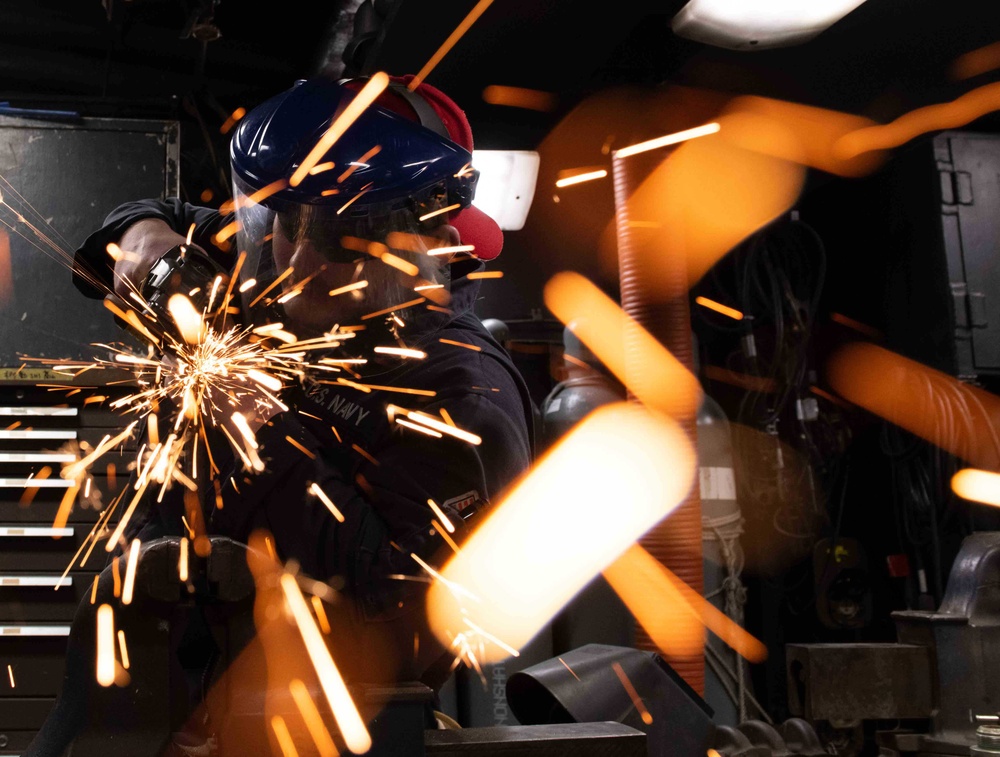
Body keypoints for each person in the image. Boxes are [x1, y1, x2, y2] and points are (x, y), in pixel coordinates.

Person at [26, 73, 535, 755]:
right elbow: (125, 231)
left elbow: (408, 635)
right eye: (282, 220)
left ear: (425, 238)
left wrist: (264, 428)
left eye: (335, 233)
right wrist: (153, 252)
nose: (293, 256)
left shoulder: (465, 397)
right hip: (138, 690)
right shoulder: (287, 256)